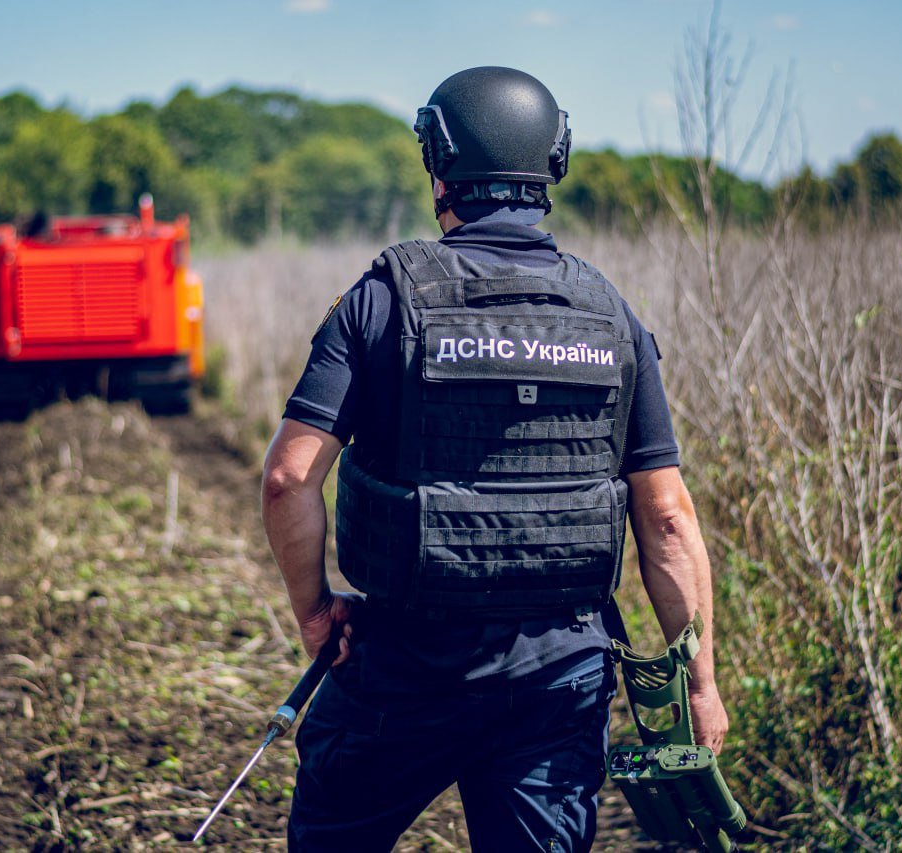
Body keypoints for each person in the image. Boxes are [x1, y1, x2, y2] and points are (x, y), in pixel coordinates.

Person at [261, 66, 728, 852]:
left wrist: (315, 612)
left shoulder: (382, 298)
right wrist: (703, 688)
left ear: (439, 163)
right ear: (553, 162)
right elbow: (670, 521)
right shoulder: (611, 314)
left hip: (402, 665)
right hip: (559, 676)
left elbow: (287, 478)